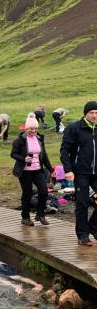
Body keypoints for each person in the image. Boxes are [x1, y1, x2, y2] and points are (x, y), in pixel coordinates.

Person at [60, 101, 97, 246]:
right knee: (82, 203)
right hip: (80, 172)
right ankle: (82, 235)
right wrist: (68, 170)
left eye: (96, 113)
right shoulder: (74, 128)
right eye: (91, 113)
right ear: (85, 113)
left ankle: (93, 227)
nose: (94, 115)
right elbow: (64, 151)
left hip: (96, 172)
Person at [11, 117, 53, 226]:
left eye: (35, 129)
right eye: (31, 129)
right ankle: (25, 217)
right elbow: (13, 154)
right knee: (27, 193)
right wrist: (23, 158)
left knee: (44, 191)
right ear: (26, 128)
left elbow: (44, 156)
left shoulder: (39, 138)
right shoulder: (20, 140)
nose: (33, 131)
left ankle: (40, 214)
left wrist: (51, 169)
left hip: (38, 170)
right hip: (25, 171)